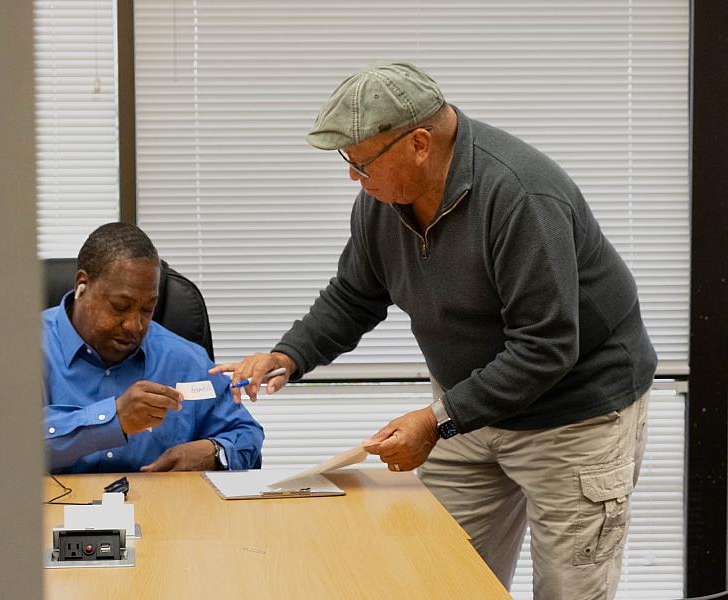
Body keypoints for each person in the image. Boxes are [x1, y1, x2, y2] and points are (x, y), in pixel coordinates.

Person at [210, 63, 656, 599]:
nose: (353, 178)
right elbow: (356, 295)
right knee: (437, 578)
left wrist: (437, 419)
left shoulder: (520, 196)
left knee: (568, 591)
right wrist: (290, 354)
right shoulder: (382, 205)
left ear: (419, 143)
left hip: (573, 418)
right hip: (467, 414)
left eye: (360, 162)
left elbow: (547, 345)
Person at [43, 222, 263, 474]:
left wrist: (214, 452)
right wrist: (113, 419)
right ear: (83, 285)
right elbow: (6, 443)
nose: (134, 325)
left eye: (148, 309)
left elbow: (248, 435)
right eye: (120, 306)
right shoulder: (26, 349)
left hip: (160, 510)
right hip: (53, 511)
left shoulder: (183, 359)